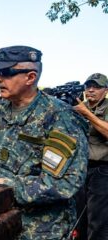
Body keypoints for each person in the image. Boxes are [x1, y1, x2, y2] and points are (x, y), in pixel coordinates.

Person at [0, 45, 88, 239]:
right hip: (3, 219)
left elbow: (65, 182)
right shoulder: (2, 110)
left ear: (30, 77)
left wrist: (9, 187)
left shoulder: (59, 117)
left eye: (6, 72)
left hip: (41, 229)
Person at [74, 73, 108, 240]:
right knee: (79, 215)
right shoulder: (80, 106)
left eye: (96, 87)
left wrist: (87, 114)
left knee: (98, 220)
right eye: (88, 86)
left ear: (106, 90)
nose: (91, 90)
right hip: (80, 169)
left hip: (102, 170)